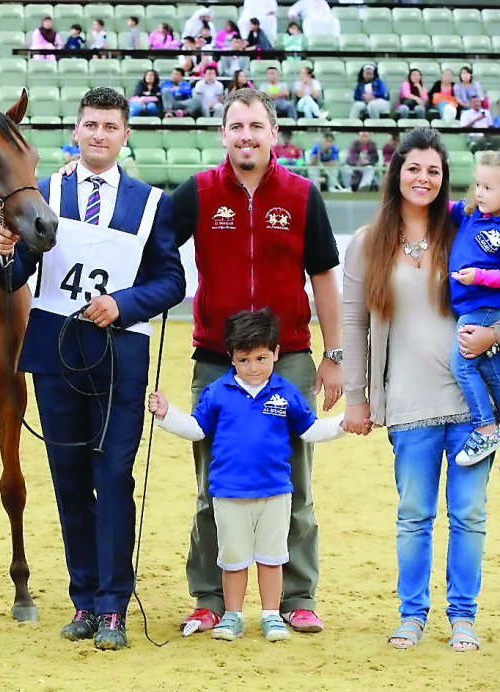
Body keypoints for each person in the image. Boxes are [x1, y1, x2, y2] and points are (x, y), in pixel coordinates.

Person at [0, 86, 185, 650]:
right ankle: (84, 599)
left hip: (120, 355)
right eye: (90, 125)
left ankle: (114, 607)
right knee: (70, 483)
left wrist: (124, 303)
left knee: (113, 477)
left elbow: (171, 281)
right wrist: (4, 251)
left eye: (110, 127)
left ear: (125, 135)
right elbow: (15, 276)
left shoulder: (152, 203)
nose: (99, 135)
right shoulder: (42, 194)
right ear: (75, 131)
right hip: (56, 351)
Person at [172, 90, 343, 636]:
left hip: (288, 358)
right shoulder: (196, 192)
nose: (246, 135)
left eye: (256, 126)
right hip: (215, 363)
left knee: (293, 482)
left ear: (274, 133)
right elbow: (152, 250)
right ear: (223, 134)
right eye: (236, 125)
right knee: (211, 486)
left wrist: (333, 354)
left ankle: (296, 596)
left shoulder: (301, 194)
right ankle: (208, 597)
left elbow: (323, 277)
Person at [342, 127, 491, 653]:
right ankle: (412, 615)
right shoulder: (367, 243)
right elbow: (353, 320)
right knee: (414, 515)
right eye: (413, 168)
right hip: (407, 403)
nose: (423, 178)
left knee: (469, 514)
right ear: (396, 174)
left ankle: (463, 617)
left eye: (433, 170)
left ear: (445, 178)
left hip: (474, 405)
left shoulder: (468, 233)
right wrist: (358, 396)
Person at [150, 308, 343, 642]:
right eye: (243, 360)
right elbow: (196, 429)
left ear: (276, 354)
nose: (253, 368)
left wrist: (346, 424)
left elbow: (310, 430)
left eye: (261, 358)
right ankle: (233, 615)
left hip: (275, 493)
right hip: (228, 494)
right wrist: (167, 415)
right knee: (233, 560)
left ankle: (271, 615)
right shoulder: (217, 392)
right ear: (231, 358)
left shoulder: (286, 392)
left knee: (272, 558)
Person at [447, 153, 500, 464]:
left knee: (463, 366)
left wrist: (479, 276)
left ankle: (486, 428)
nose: (480, 192)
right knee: (489, 367)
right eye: (478, 184)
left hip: (485, 306)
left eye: (489, 188)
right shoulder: (469, 214)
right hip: (471, 306)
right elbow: (439, 205)